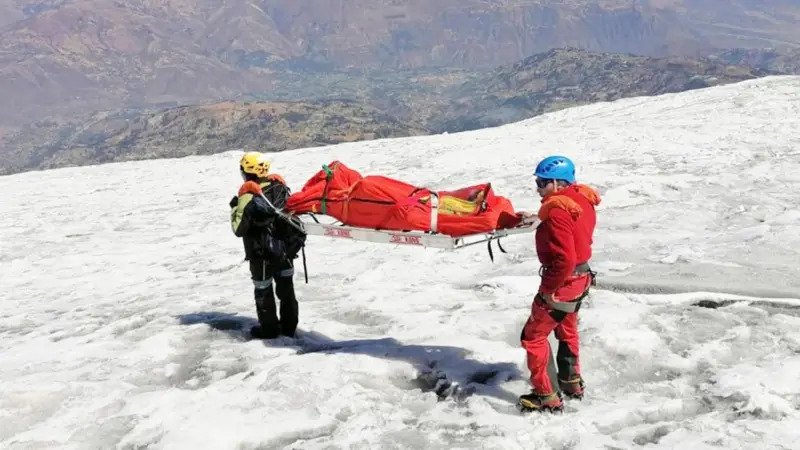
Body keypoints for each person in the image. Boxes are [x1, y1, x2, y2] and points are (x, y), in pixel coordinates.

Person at [517, 155, 601, 412]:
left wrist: (548, 290)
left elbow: (564, 259)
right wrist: (540, 216)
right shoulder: (580, 198)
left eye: (542, 183)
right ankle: (571, 381)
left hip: (564, 282)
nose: (539, 188)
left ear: (556, 182)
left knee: (533, 336)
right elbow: (571, 226)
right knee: (567, 329)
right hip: (581, 278)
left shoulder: (556, 210)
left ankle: (546, 396)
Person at [229, 151, 304, 339]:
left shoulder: (247, 195)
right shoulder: (280, 187)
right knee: (286, 289)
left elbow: (239, 229)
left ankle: (269, 331)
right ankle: (289, 328)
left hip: (261, 253)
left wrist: (234, 209)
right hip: (285, 251)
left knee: (263, 291)